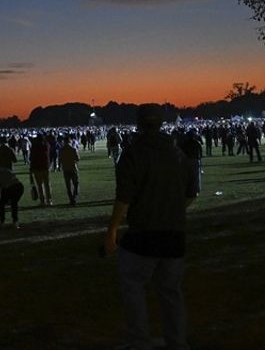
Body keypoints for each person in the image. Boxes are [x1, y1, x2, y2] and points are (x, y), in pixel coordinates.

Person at [103, 107, 199, 350]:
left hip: (144, 233)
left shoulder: (134, 153)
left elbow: (124, 197)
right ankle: (177, 342)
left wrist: (112, 230)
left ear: (139, 125)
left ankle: (140, 340)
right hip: (174, 233)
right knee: (171, 292)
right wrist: (172, 209)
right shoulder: (177, 153)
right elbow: (191, 193)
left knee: (133, 286)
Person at [58, 135, 81, 206]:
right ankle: (74, 196)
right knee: (76, 184)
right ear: (70, 141)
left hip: (65, 169)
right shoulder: (73, 149)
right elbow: (78, 159)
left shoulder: (61, 150)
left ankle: (71, 199)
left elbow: (60, 159)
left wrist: (60, 166)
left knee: (68, 186)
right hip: (73, 168)